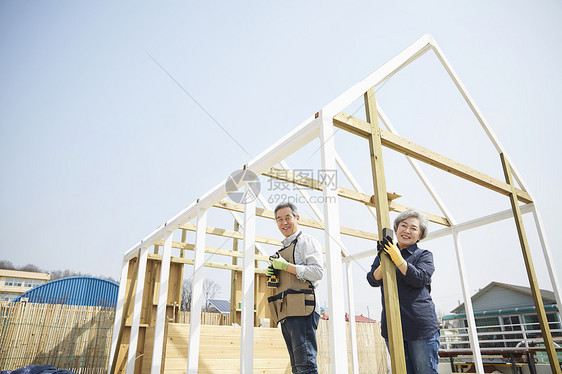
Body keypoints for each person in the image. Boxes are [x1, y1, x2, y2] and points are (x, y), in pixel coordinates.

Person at [366, 209, 440, 374]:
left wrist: (398, 258)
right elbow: (372, 280)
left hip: (420, 327)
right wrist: (385, 259)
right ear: (396, 228)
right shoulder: (385, 254)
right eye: (403, 226)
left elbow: (420, 278)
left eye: (413, 228)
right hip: (393, 326)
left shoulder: (424, 255)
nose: (407, 230)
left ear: (420, 235)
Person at [267, 202, 324, 374]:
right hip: (287, 311)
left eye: (287, 218)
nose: (283, 223)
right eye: (279, 219)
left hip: (304, 310)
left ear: (297, 218)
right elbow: (285, 281)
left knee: (305, 365)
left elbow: (318, 272)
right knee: (297, 368)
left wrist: (286, 267)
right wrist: (273, 275)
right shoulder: (282, 249)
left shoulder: (307, 241)